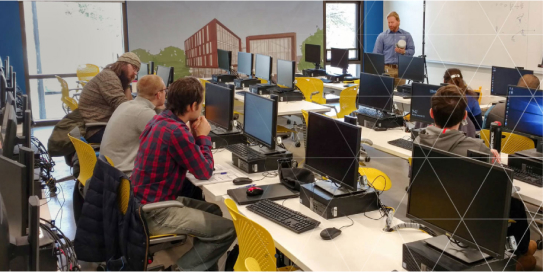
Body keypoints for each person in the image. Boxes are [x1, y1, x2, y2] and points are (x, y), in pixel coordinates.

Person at [414, 85, 537, 271]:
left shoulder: (419, 141)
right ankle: (520, 251)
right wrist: (494, 162)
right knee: (517, 209)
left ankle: (522, 247)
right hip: (471, 220)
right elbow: (504, 190)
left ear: (431, 113)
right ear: (465, 116)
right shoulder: (476, 149)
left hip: (435, 210)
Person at [131, 77, 236, 271]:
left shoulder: (159, 119)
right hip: (156, 212)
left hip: (142, 204)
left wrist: (194, 138)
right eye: (201, 105)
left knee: (213, 210)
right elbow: (204, 172)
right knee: (227, 230)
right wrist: (203, 137)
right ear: (193, 105)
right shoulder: (176, 132)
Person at [100, 75, 166, 176]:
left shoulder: (126, 105)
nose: (166, 93)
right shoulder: (144, 113)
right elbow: (169, 139)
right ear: (158, 95)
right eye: (165, 90)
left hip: (108, 169)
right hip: (122, 176)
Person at [78, 52, 141, 143]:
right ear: (123, 64)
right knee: (141, 136)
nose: (135, 73)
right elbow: (125, 107)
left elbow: (128, 104)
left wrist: (127, 83)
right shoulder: (108, 77)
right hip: (96, 130)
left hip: (102, 125)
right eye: (134, 68)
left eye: (137, 71)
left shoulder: (112, 75)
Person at [373, 11, 415, 87]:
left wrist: (404, 52)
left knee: (400, 95)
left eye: (392, 22)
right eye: (388, 22)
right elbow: (377, 54)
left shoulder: (407, 35)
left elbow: (412, 51)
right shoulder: (382, 36)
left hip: (401, 69)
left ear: (398, 22)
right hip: (387, 69)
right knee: (387, 94)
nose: (390, 25)